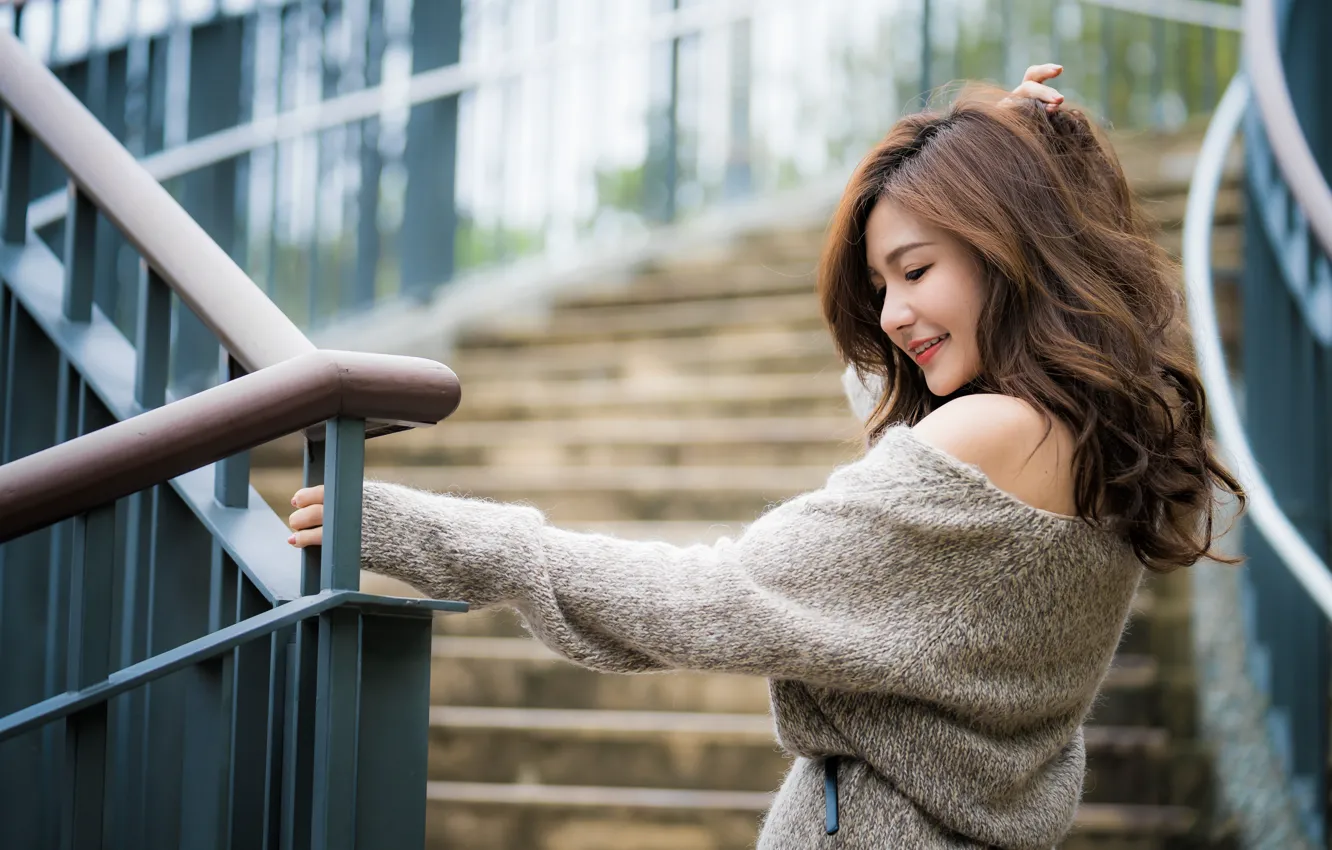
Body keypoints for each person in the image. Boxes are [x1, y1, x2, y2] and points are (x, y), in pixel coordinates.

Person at [286, 65, 1244, 848]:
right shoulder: (1093, 439)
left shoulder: (985, 436)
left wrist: (433, 534)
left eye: (916, 270)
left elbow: (713, 598)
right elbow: (897, 409)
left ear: (1015, 248)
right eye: (879, 286)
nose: (893, 314)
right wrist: (1045, 154)